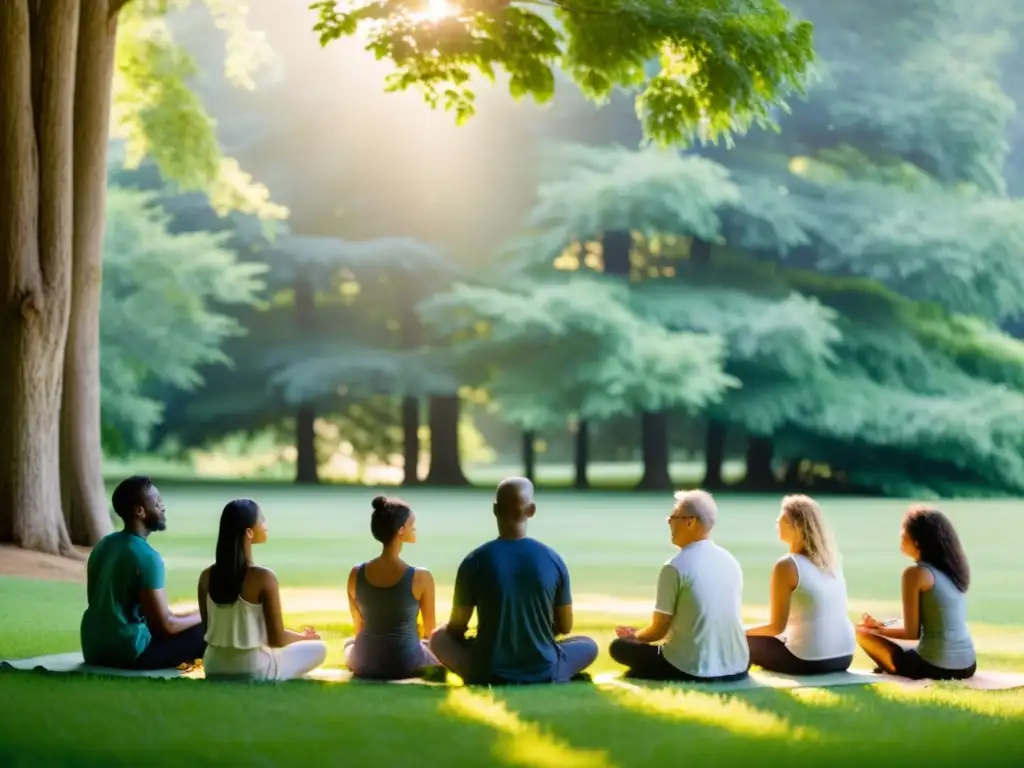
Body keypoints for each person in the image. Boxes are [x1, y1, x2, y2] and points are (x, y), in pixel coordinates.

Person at [429, 477, 598, 685]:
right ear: (532, 510)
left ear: (495, 509)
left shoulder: (474, 561)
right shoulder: (553, 559)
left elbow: (456, 627)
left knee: (438, 638)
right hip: (544, 667)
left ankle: (478, 672)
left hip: (488, 669)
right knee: (588, 645)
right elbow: (565, 626)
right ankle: (553, 672)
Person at [609, 489, 749, 682]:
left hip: (691, 668)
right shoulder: (731, 560)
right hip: (737, 666)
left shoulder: (675, 567)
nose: (668, 522)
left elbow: (659, 630)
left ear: (690, 521)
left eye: (673, 517)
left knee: (619, 647)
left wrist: (634, 637)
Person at [81, 476, 206, 669]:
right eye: (157, 503)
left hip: (93, 649)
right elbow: (165, 626)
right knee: (210, 629)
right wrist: (207, 614)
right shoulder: (148, 558)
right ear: (140, 511)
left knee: (192, 618)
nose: (163, 507)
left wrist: (195, 613)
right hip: (131, 653)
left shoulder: (103, 546)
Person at [198, 499, 327, 680]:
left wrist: (301, 636)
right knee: (320, 649)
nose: (266, 525)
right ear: (249, 533)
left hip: (213, 665)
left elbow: (208, 630)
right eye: (262, 520)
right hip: (252, 667)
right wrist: (306, 639)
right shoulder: (264, 577)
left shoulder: (205, 577)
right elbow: (277, 639)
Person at [856, 505, 976, 680]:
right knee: (893, 626)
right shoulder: (950, 571)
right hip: (968, 665)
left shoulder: (915, 574)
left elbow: (912, 633)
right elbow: (925, 623)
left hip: (936, 667)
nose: (900, 535)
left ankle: (893, 667)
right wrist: (881, 625)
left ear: (918, 540)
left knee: (862, 634)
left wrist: (873, 632)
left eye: (903, 531)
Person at [745, 495, 855, 675]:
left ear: (797, 526)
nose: (776, 522)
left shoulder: (787, 565)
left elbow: (775, 628)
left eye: (781, 518)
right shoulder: (832, 562)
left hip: (808, 660)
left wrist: (740, 631)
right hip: (844, 657)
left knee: (739, 639)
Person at [343, 496, 443, 680]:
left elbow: (359, 628)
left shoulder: (355, 574)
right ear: (401, 530)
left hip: (365, 664)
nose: (415, 527)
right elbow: (431, 634)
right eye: (412, 523)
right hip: (406, 665)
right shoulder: (422, 577)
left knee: (349, 645)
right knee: (441, 643)